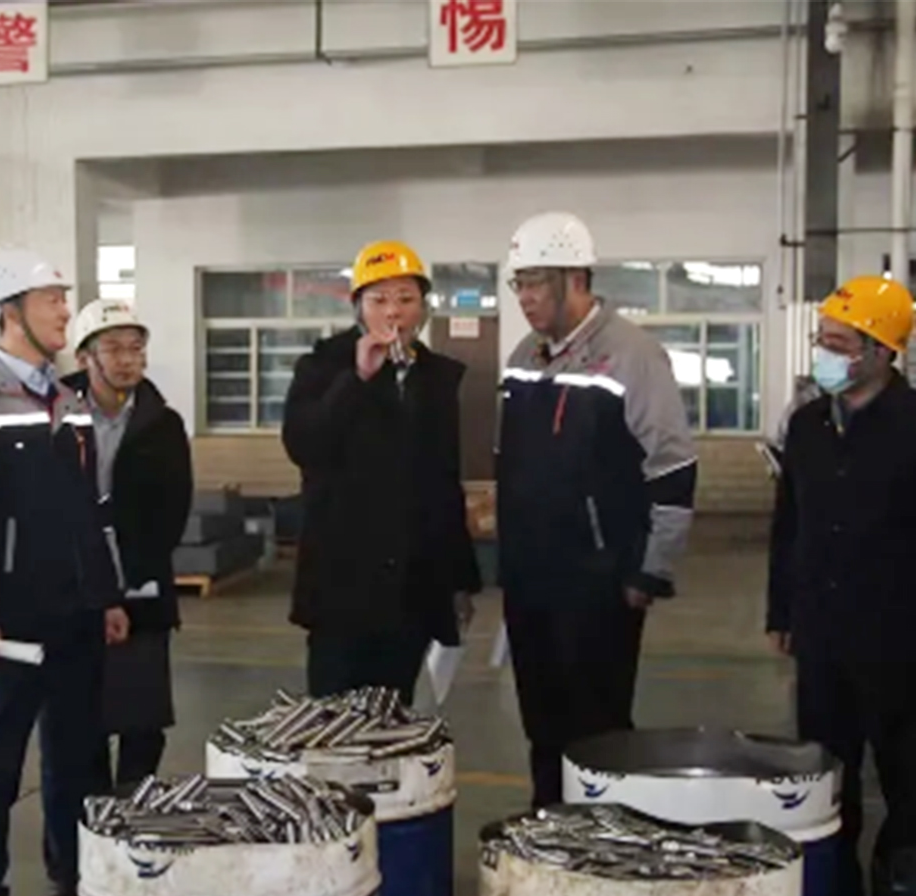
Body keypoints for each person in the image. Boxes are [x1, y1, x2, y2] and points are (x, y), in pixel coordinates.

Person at [0, 246, 130, 896]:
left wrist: (107, 594)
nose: (63, 311)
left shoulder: (72, 404)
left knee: (76, 758)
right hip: (12, 620)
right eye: (52, 299)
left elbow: (96, 512)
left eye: (62, 298)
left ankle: (74, 874)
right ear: (9, 312)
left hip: (76, 611)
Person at [767, 275, 916, 896]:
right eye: (822, 340)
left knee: (909, 780)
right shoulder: (807, 426)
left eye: (839, 344)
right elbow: (789, 524)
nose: (824, 354)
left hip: (900, 638)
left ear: (883, 352)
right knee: (826, 779)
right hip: (822, 634)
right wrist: (782, 610)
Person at [496, 212, 697, 808]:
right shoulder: (524, 356)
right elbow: (511, 462)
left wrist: (650, 571)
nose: (526, 297)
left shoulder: (632, 355)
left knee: (597, 730)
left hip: (599, 582)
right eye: (519, 284)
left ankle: (602, 840)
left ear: (577, 279)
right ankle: (546, 832)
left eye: (537, 282)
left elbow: (673, 469)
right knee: (542, 724)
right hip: (530, 578)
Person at [282, 240, 481, 702]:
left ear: (423, 309)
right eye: (379, 299)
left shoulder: (438, 379)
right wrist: (356, 379)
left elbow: (444, 482)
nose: (394, 312)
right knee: (333, 715)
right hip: (342, 584)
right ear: (359, 308)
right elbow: (303, 444)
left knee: (394, 714)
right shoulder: (321, 367)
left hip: (413, 584)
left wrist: (459, 581)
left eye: (406, 299)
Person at [64, 299, 193, 788]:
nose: (126, 360)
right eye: (113, 348)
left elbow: (172, 511)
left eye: (135, 348)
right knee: (77, 726)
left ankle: (133, 813)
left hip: (141, 588)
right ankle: (85, 821)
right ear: (84, 358)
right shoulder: (55, 416)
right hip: (72, 593)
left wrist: (130, 579)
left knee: (142, 722)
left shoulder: (163, 424)